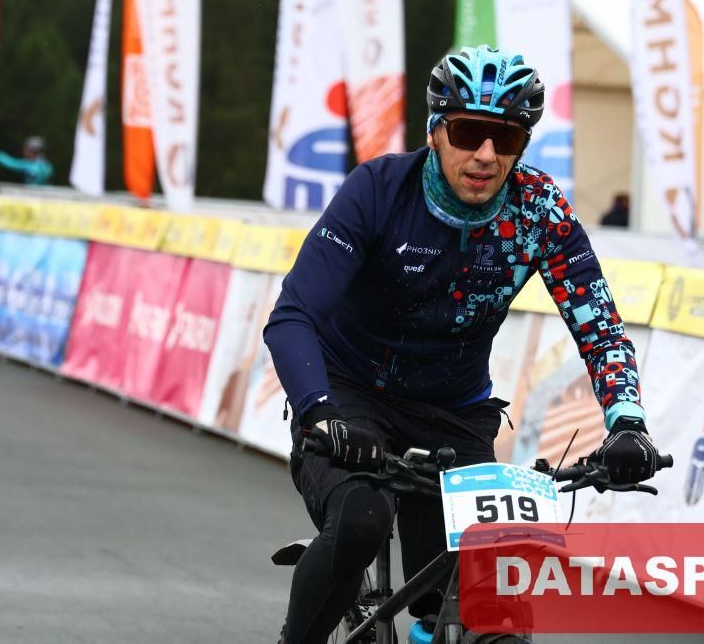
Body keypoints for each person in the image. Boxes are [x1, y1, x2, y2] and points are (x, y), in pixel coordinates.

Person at [264, 45, 660, 644]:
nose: (486, 155)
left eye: (508, 139)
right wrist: (320, 413)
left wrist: (627, 422)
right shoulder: (378, 190)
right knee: (362, 520)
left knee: (488, 593)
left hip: (453, 412)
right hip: (350, 396)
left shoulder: (538, 210)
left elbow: (599, 326)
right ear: (435, 132)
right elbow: (292, 316)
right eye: (469, 132)